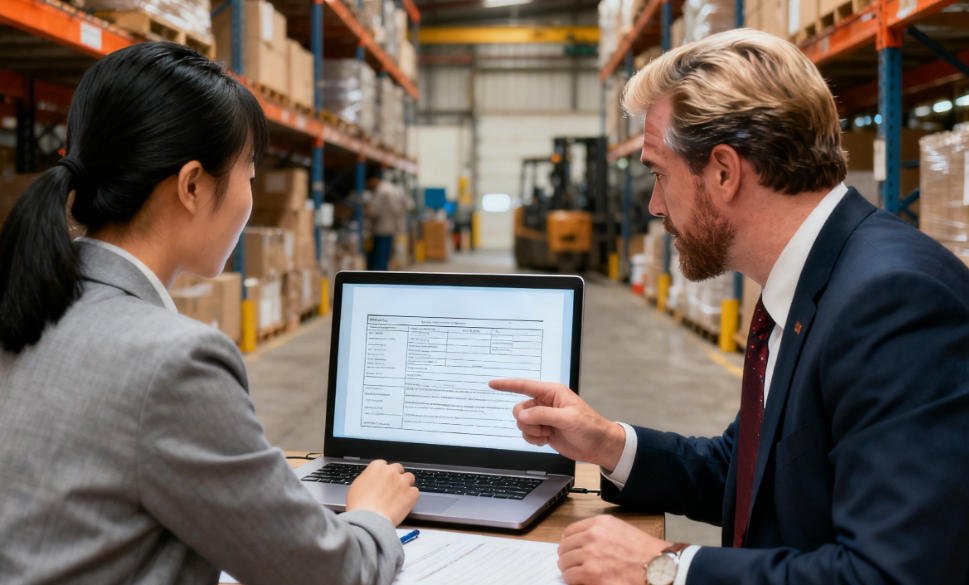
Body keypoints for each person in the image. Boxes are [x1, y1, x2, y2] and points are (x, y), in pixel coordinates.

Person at [490, 29, 969, 585]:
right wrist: (607, 443)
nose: (653, 205)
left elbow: (892, 574)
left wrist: (663, 568)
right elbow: (749, 473)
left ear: (723, 171)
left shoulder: (892, 303)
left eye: (658, 173)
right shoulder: (815, 280)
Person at [0, 42, 418, 584]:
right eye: (248, 169)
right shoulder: (174, 360)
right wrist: (372, 513)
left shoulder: (29, 303)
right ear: (193, 185)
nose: (248, 193)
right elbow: (327, 573)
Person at [364, 169, 413, 271]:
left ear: (374, 180)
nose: (369, 185)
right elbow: (404, 206)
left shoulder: (381, 190)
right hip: (391, 228)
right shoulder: (392, 189)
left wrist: (366, 209)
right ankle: (382, 276)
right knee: (385, 256)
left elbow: (373, 210)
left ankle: (378, 280)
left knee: (380, 258)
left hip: (381, 229)